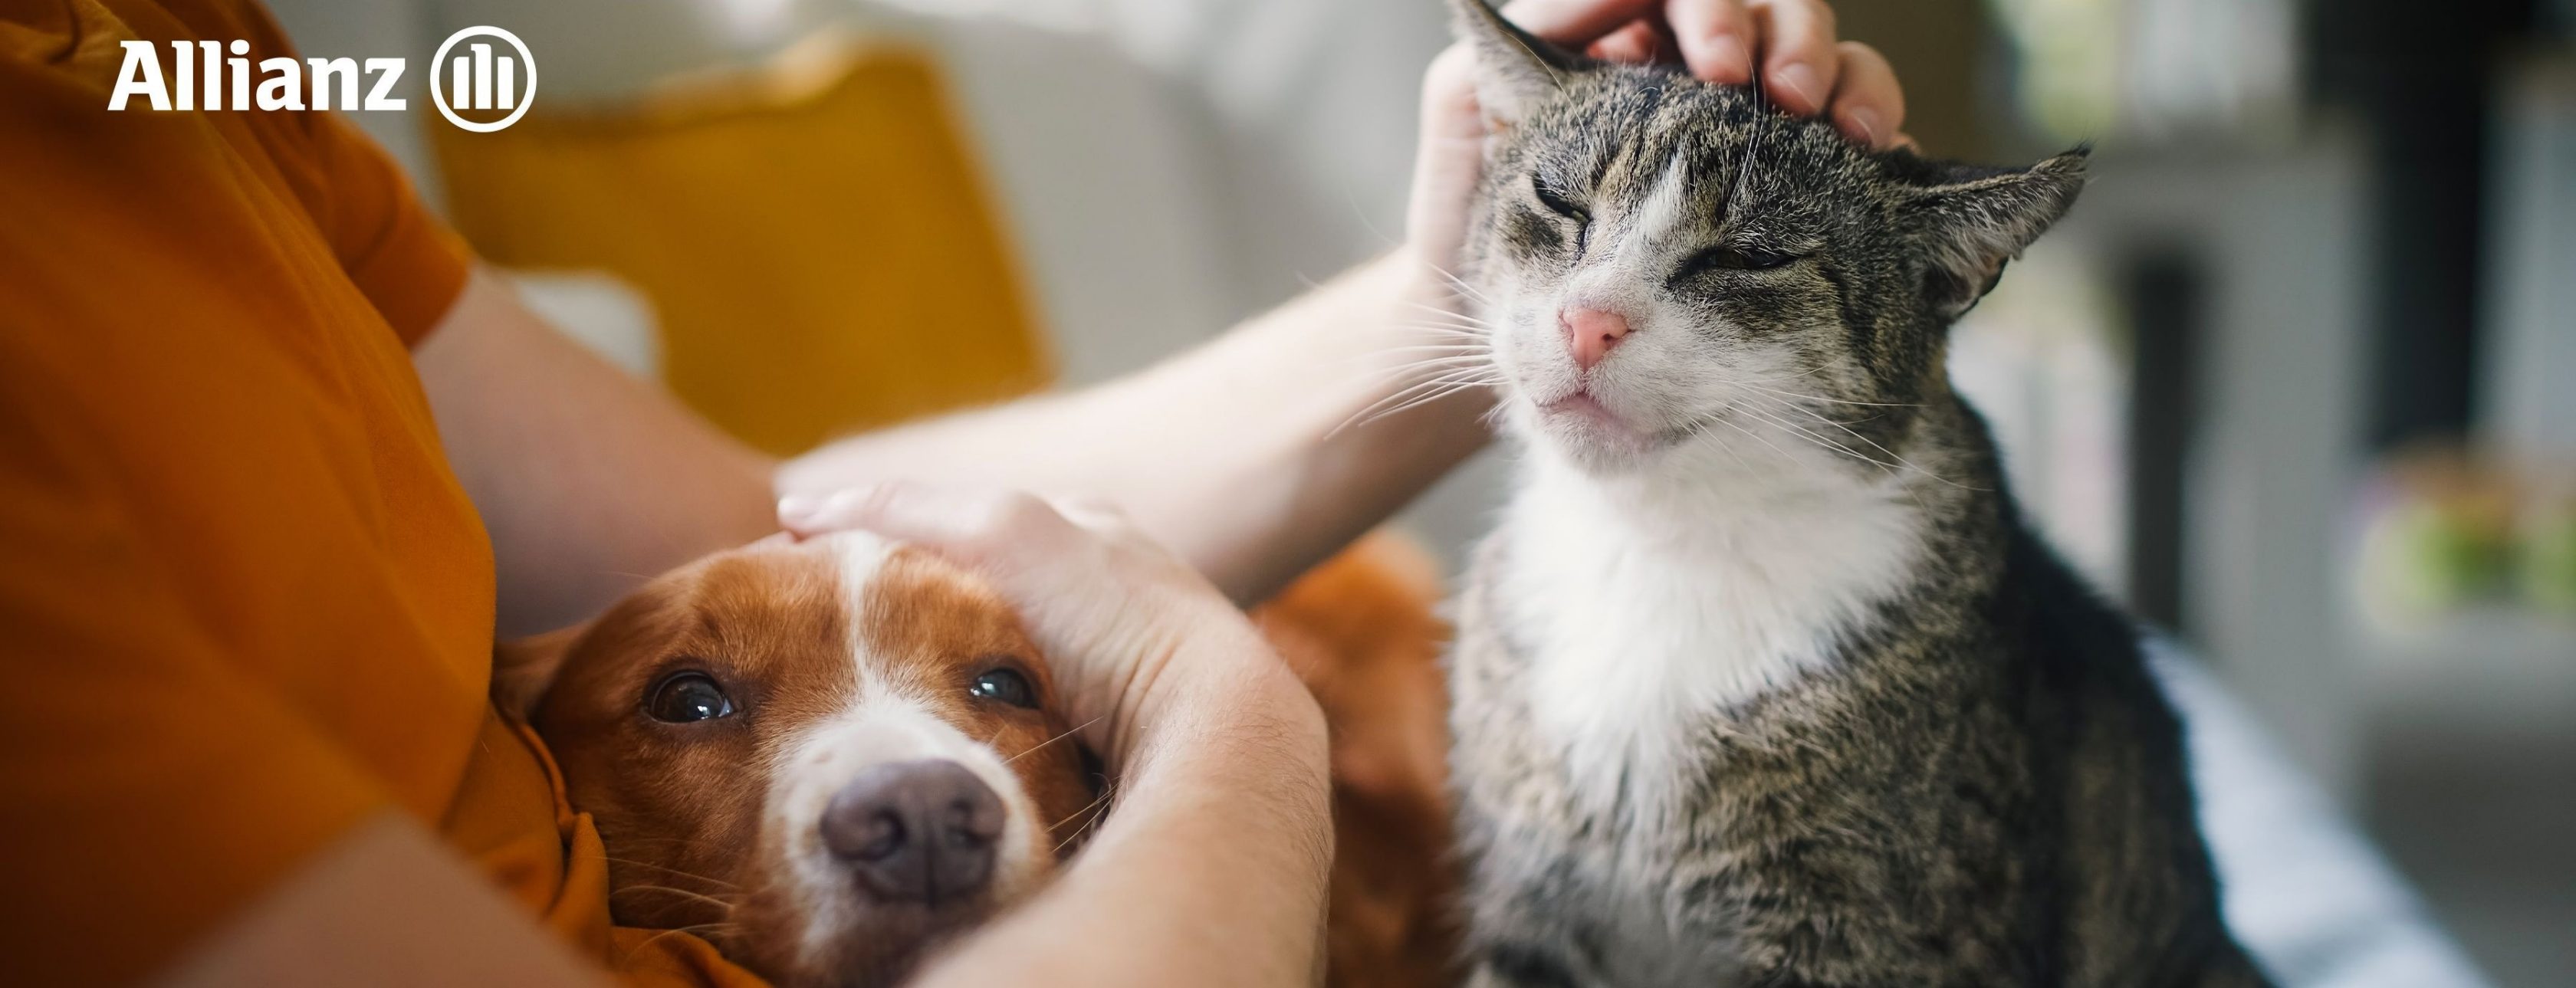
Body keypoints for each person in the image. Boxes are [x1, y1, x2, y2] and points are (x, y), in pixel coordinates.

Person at [0, 0, 1904, 983]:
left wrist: (1460, 303)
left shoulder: (177, 65)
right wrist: (1225, 716)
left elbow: (775, 531)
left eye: (1008, 696)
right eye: (688, 703)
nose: (923, 792)